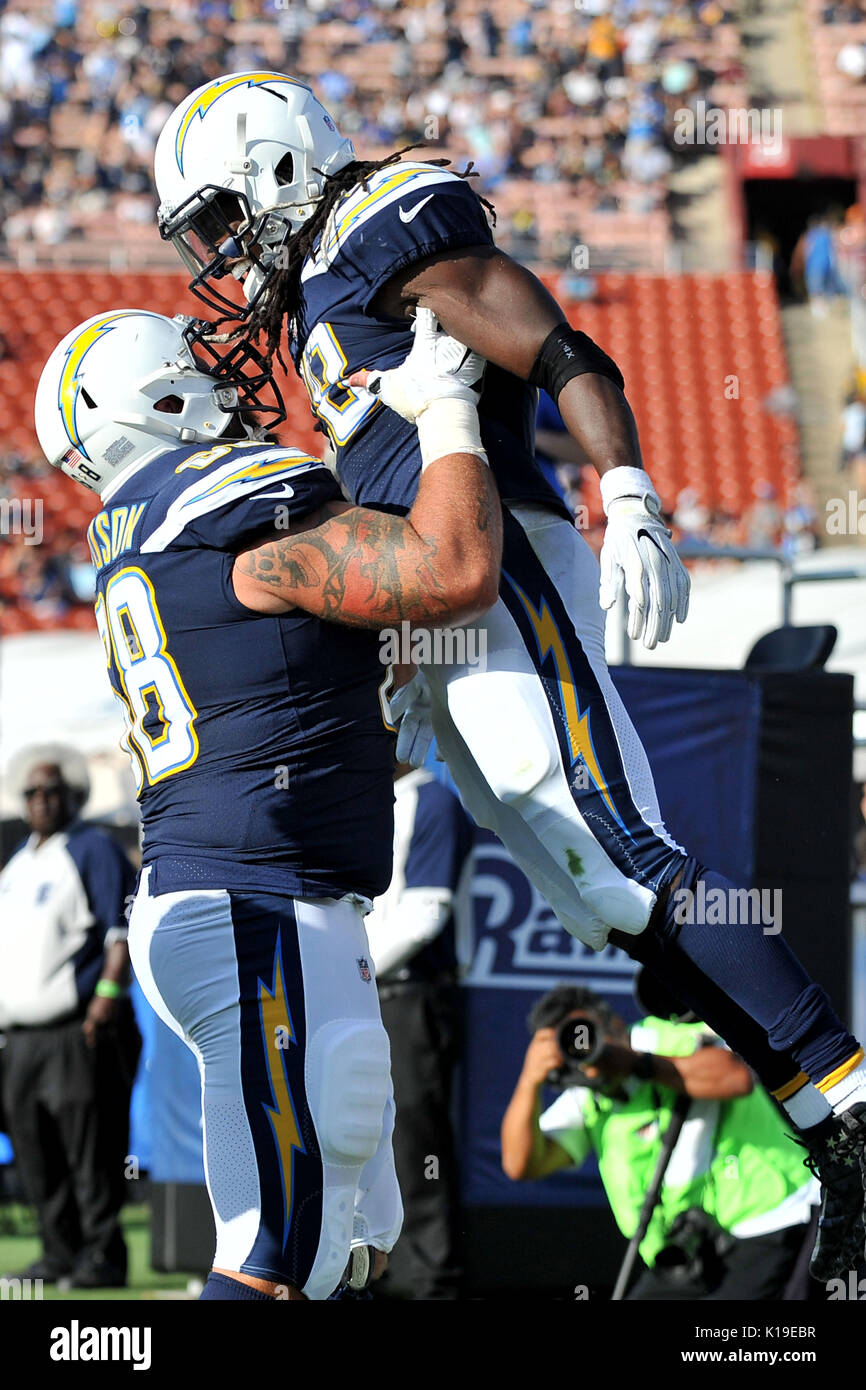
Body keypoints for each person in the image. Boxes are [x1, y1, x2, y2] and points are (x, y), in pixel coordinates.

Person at [151, 71, 866, 1279]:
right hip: (436, 590)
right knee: (596, 897)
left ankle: (849, 1104)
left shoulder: (382, 216)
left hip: (502, 566)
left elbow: (551, 340)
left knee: (623, 856)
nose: (221, 253)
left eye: (222, 217)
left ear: (277, 168)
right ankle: (823, 1124)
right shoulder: (329, 270)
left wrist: (625, 487)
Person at [34, 306, 501, 1301]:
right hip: (250, 907)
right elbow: (451, 570)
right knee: (271, 1260)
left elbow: (323, 634)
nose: (218, 375)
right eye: (190, 368)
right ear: (155, 398)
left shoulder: (156, 526)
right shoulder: (228, 506)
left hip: (270, 903)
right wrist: (448, 412)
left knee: (348, 1247)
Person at [501, 983, 818, 1300]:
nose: (586, 1049)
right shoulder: (585, 1095)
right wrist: (530, 1082)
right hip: (687, 1249)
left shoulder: (661, 1037)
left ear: (614, 1024)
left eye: (586, 1033)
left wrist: (635, 1064)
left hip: (769, 1215)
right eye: (571, 1045)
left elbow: (735, 1077)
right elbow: (521, 1164)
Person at [0, 743, 140, 1288]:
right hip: (20, 1035)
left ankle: (102, 1256)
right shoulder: (18, 862)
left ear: (72, 795)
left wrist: (106, 995)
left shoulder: (91, 849)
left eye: (52, 790)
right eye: (32, 792)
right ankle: (58, 1252)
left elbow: (121, 928)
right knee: (37, 1150)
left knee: (90, 1148)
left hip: (75, 1026)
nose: (41, 800)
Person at [364, 762, 474, 1300]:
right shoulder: (365, 804)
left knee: (414, 1141)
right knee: (361, 1138)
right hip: (371, 995)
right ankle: (377, 1276)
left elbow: (426, 916)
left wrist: (351, 970)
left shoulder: (430, 801)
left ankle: (432, 1282)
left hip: (411, 995)